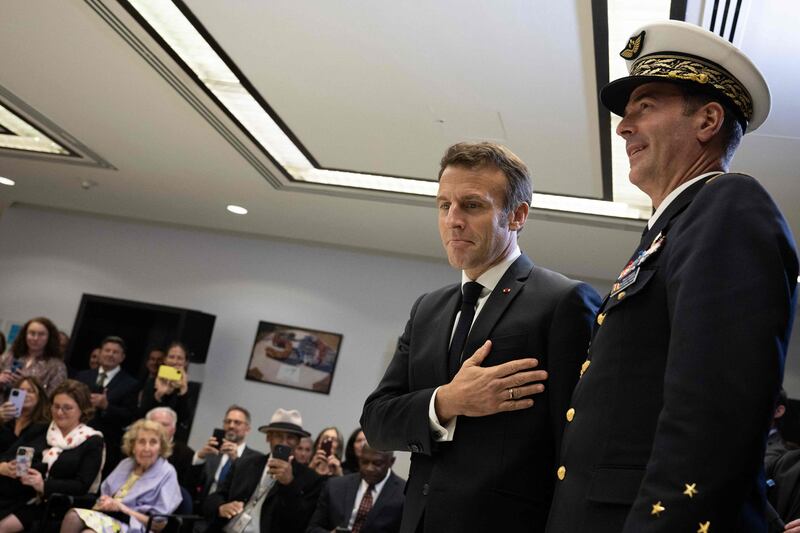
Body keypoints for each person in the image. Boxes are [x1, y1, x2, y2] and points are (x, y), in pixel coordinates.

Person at [545, 20, 799, 533]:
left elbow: (714, 415)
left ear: (707, 119)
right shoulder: (673, 231)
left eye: (646, 105)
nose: (622, 126)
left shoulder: (727, 207)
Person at [361, 141, 600, 533]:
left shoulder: (563, 301)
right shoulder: (427, 310)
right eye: (443, 205)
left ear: (517, 215)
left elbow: (575, 447)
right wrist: (447, 401)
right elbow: (377, 421)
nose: (453, 219)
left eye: (471, 205)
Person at [0, 380, 104, 531]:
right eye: (56, 406)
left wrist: (43, 485)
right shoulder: (41, 429)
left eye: (67, 408)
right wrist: (4, 467)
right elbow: (7, 455)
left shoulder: (92, 440)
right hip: (19, 494)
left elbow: (82, 485)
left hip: (55, 504)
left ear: (82, 409)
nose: (59, 412)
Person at [204, 408, 324, 533]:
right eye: (278, 436)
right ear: (268, 438)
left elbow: (300, 522)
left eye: (291, 437)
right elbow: (215, 497)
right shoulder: (245, 463)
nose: (284, 442)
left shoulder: (311, 479)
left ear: (298, 442)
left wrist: (289, 484)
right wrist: (221, 507)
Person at [61, 418, 182, 533]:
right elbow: (105, 494)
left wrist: (122, 509)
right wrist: (105, 502)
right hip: (108, 518)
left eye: (153, 442)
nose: (147, 448)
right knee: (73, 516)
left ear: (161, 447)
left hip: (136, 527)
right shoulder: (126, 463)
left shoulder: (167, 472)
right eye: (141, 442)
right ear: (133, 446)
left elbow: (158, 525)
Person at [76, 336, 140, 477]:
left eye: (115, 352)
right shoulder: (82, 376)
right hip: (76, 438)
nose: (110, 354)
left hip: (107, 443)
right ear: (100, 353)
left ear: (122, 357)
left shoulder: (130, 384)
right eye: (107, 350)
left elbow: (129, 416)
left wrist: (106, 406)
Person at [307, 445, 404, 533]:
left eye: (377, 463)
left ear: (391, 462)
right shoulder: (335, 486)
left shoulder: (404, 494)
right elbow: (313, 528)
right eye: (364, 462)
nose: (369, 468)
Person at [191, 405, 260, 507]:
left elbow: (249, 490)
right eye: (228, 421)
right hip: (201, 513)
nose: (231, 426)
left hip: (232, 515)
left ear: (247, 429)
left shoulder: (256, 459)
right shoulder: (212, 453)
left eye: (237, 422)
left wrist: (237, 461)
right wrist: (200, 457)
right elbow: (192, 484)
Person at [0, 317, 68, 396]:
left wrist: (28, 385)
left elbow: (54, 398)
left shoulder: (56, 366)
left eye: (41, 334)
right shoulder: (10, 356)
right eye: (32, 333)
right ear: (25, 335)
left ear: (49, 337)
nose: (35, 338)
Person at [139, 342, 191, 433]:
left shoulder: (188, 387)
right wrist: (158, 395)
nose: (175, 361)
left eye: (179, 358)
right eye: (171, 357)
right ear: (165, 360)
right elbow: (142, 413)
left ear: (185, 362)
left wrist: (183, 392)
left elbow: (184, 419)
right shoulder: (152, 381)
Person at [146, 407, 195, 493]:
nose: (159, 428)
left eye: (164, 425)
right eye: (155, 424)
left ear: (174, 429)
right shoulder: (134, 449)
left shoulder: (186, 454)